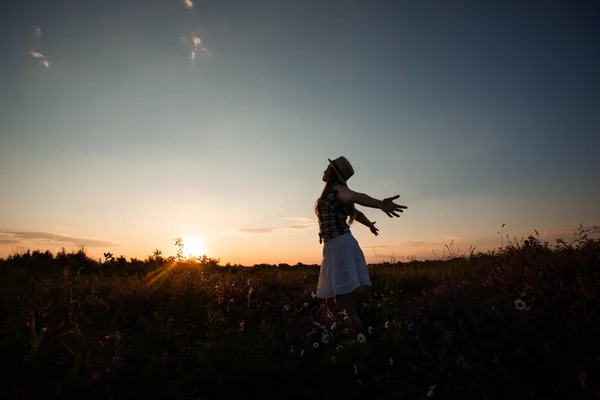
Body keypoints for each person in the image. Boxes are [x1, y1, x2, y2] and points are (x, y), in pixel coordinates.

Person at [314, 156, 407, 335]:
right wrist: (370, 225)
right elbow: (356, 213)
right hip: (333, 247)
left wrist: (380, 204)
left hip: (340, 247)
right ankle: (343, 338)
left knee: (347, 308)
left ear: (333, 173)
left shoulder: (339, 190)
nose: (324, 171)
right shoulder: (331, 194)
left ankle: (360, 345)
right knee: (331, 302)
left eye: (327, 168)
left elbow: (355, 196)